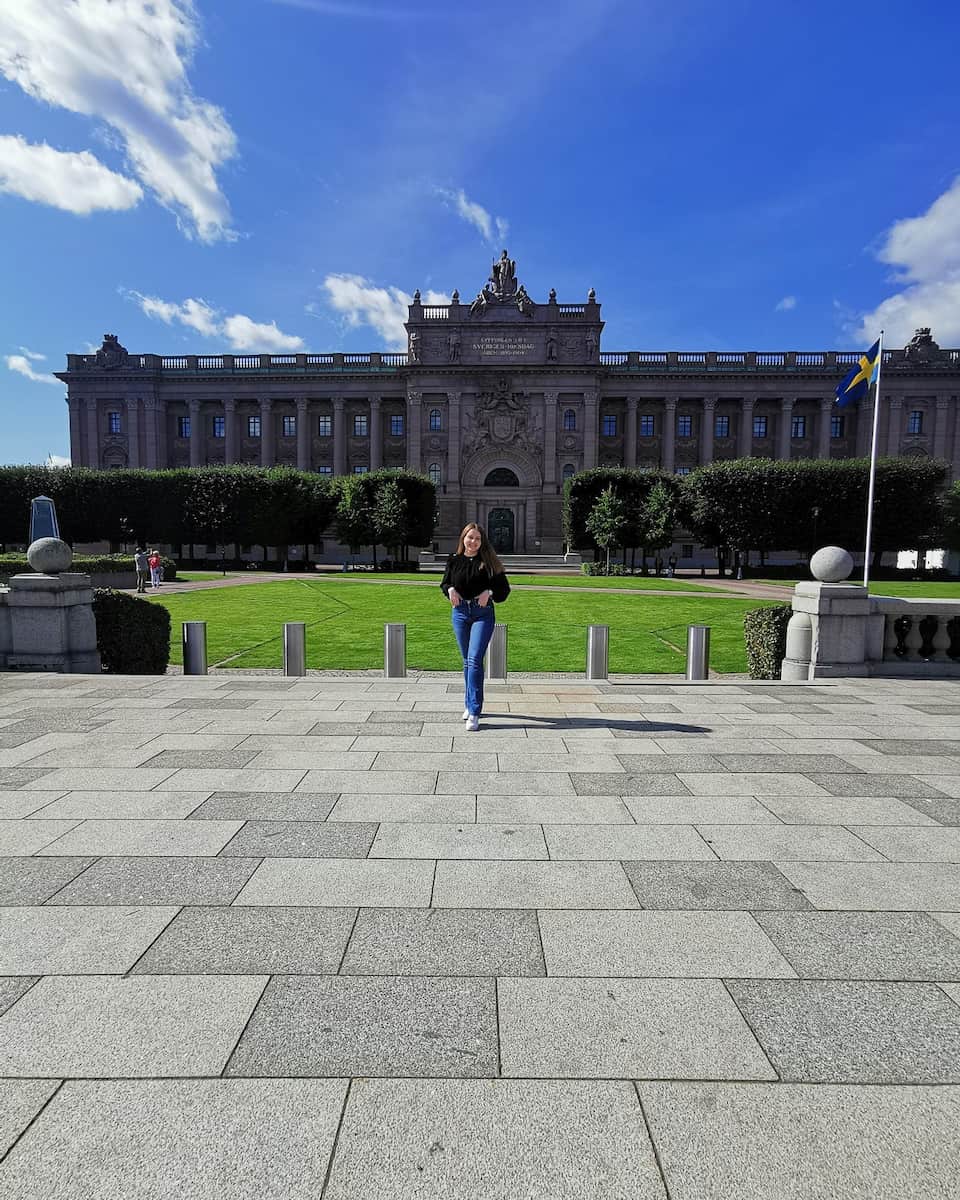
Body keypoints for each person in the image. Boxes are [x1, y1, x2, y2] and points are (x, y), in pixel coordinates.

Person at [440, 523, 510, 731]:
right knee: (467, 661)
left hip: (482, 615)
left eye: (477, 538)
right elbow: (445, 583)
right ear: (463, 538)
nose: (473, 541)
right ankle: (468, 702)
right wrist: (450, 589)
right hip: (460, 613)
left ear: (482, 542)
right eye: (470, 537)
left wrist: (489, 592)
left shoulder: (488, 562)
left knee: (474, 659)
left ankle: (474, 711)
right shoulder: (454, 560)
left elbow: (504, 591)